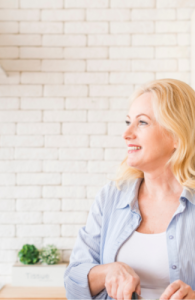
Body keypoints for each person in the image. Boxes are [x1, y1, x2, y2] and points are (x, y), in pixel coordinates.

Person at [64, 78, 195, 300]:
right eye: (128, 122)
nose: (127, 134)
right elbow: (73, 284)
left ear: (176, 134)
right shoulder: (111, 197)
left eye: (142, 122)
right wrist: (108, 271)